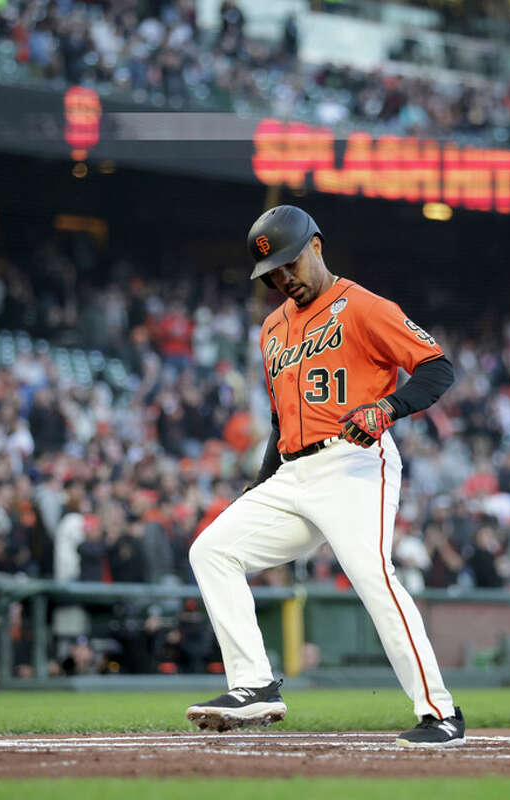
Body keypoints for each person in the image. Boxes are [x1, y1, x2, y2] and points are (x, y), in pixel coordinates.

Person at [185, 206, 463, 747]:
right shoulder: (271, 328)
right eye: (272, 275)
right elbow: (278, 420)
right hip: (292, 471)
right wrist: (261, 482)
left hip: (354, 462)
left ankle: (440, 714)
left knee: (371, 575)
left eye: (289, 265)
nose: (283, 279)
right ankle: (254, 686)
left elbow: (437, 368)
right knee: (212, 550)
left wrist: (387, 408)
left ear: (316, 245)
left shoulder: (361, 305)